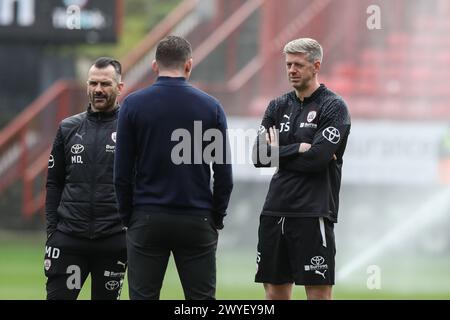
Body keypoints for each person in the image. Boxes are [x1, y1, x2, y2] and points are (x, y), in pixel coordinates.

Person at [114, 35, 233, 300]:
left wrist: (128, 217)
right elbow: (224, 173)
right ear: (189, 65)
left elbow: (121, 173)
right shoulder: (211, 107)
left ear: (155, 66)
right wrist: (216, 216)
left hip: (147, 215)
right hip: (196, 216)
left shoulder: (133, 104)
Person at [252, 38, 351, 300]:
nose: (291, 70)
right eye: (288, 65)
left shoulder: (334, 107)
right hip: (274, 210)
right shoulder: (277, 106)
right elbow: (259, 156)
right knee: (274, 293)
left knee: (318, 295)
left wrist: (278, 153)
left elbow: (318, 159)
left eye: (298, 64)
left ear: (316, 65)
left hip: (313, 212)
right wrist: (297, 148)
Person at [44, 57, 127, 300]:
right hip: (68, 239)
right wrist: (52, 231)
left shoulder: (130, 130)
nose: (98, 90)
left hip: (113, 241)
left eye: (105, 84)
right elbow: (53, 182)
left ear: (119, 87)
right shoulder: (68, 128)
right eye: (93, 83)